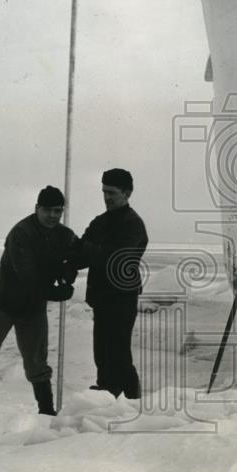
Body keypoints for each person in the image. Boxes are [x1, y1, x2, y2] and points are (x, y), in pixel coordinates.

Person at [0, 186, 75, 415]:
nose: (52, 215)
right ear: (37, 209)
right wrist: (56, 293)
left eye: (57, 211)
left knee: (37, 361)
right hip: (4, 303)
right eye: (47, 210)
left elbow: (79, 253)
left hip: (33, 308)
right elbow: (28, 276)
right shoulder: (21, 233)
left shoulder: (64, 235)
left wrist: (69, 269)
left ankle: (46, 413)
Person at [71, 168, 148, 399]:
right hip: (102, 298)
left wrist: (81, 247)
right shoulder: (99, 222)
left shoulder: (133, 224)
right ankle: (105, 396)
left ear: (127, 193)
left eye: (112, 192)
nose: (107, 197)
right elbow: (82, 255)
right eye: (104, 191)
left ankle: (133, 402)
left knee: (119, 356)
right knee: (102, 355)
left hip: (122, 298)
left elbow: (114, 258)